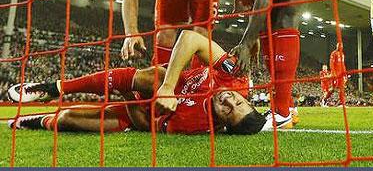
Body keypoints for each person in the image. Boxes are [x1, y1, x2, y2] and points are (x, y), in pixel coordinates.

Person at [197, 0, 326, 128]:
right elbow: (252, 0)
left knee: (286, 17)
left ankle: (281, 113)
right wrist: (252, 35)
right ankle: (288, 106)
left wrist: (246, 44)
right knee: (267, 28)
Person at [7, 30, 266, 135]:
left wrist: (128, 95)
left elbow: (146, 125)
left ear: (222, 124)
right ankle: (52, 89)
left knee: (67, 120)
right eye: (239, 101)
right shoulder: (235, 77)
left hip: (138, 113)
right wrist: (167, 87)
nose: (229, 101)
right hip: (161, 81)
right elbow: (190, 37)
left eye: (229, 111)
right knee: (157, 77)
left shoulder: (195, 125)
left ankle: (31, 121)